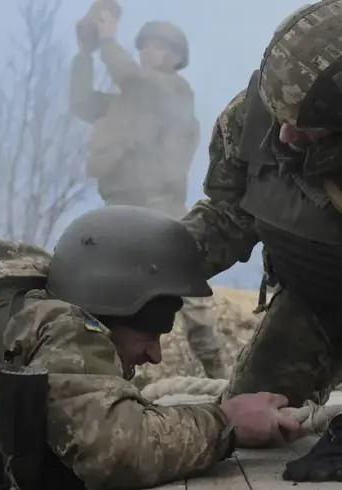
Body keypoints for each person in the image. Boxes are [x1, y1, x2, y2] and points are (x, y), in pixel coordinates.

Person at [0, 206, 299, 490]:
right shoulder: (64, 323)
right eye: (151, 327)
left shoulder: (10, 292)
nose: (154, 356)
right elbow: (115, 450)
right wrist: (226, 422)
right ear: (106, 309)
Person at [181, 0, 342, 482]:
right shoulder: (250, 121)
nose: (286, 134)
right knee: (254, 421)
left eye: (306, 122)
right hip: (317, 299)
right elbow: (230, 215)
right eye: (279, 114)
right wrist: (152, 265)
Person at [69, 0, 224, 379]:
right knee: (102, 290)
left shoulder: (172, 90)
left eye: (162, 48)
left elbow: (133, 79)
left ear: (176, 59)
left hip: (159, 207)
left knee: (190, 298)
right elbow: (82, 103)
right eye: (147, 46)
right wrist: (86, 53)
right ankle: (102, 372)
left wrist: (107, 40)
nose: (151, 53)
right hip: (118, 206)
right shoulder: (128, 100)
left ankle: (222, 377)